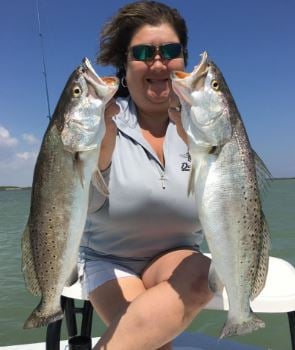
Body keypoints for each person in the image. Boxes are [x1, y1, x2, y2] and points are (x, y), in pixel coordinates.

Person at [79, 1, 213, 349]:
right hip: (110, 260)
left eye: (169, 51)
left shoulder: (207, 124)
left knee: (202, 278)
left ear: (183, 58)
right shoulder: (100, 120)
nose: (158, 62)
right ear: (124, 66)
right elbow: (81, 192)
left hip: (178, 255)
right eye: (143, 53)